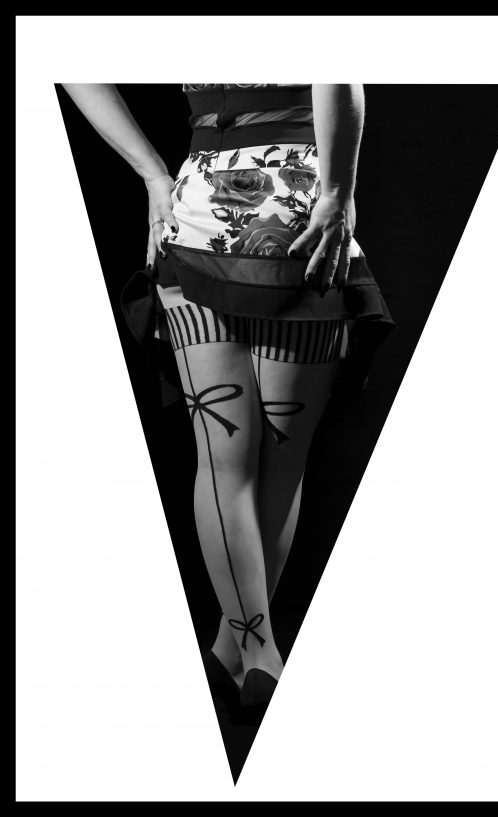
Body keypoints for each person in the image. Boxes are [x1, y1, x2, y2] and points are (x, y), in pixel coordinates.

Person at [61, 82, 394, 711]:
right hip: (297, 211)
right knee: (282, 459)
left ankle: (232, 647)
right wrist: (338, 192)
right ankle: (261, 654)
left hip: (193, 214)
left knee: (223, 462)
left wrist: (153, 175)